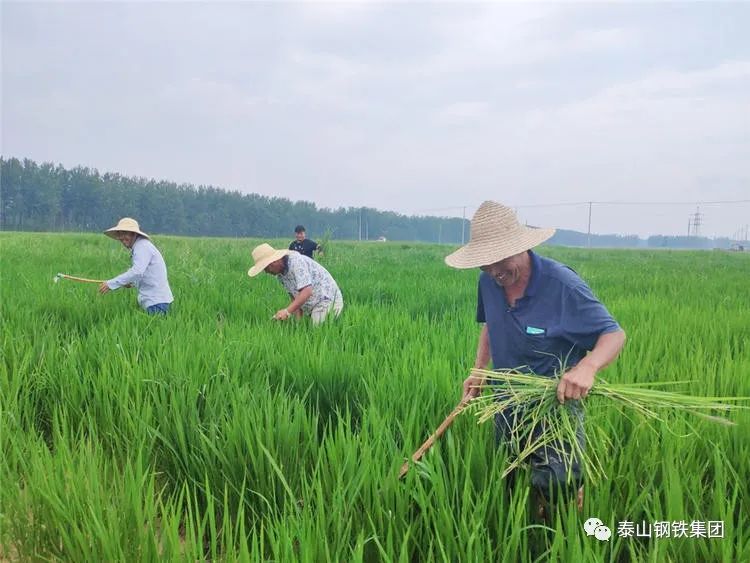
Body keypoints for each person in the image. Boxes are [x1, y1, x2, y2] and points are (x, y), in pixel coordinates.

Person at [445, 201, 626, 514]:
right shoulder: (489, 281)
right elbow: (491, 324)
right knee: (511, 473)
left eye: (500, 260)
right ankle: (522, 524)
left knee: (559, 484)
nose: (494, 271)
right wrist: (479, 369)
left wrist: (587, 367)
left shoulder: (562, 285)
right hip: (505, 399)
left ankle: (565, 522)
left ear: (521, 247)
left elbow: (613, 334)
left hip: (555, 404)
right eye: (485, 264)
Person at [248, 243, 343, 325]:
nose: (266, 272)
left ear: (273, 262)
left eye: (266, 268)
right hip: (313, 304)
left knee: (317, 332)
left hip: (327, 300)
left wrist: (287, 311)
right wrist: (298, 323)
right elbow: (295, 297)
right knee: (306, 331)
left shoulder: (296, 262)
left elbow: (307, 291)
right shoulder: (280, 275)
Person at [99, 217, 174, 315]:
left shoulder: (142, 247)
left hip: (156, 302)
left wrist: (111, 284)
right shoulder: (141, 246)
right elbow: (145, 273)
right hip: (155, 301)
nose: (122, 238)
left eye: (125, 233)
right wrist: (131, 282)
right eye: (120, 234)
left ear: (134, 234)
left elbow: (137, 271)